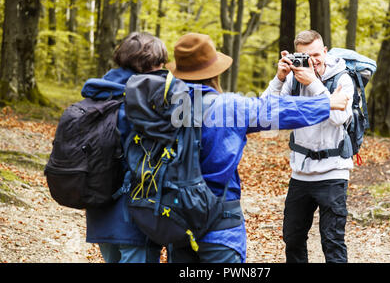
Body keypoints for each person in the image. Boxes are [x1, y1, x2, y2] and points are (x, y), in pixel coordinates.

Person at [165, 32, 349, 263]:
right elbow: (274, 111)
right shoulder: (229, 107)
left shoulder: (165, 108)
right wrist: (326, 102)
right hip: (220, 219)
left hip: (176, 215)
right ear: (216, 71)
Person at [262, 30, 354, 263]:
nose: (312, 61)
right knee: (292, 238)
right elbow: (265, 115)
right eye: (305, 56)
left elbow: (339, 118)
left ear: (324, 51)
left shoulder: (342, 79)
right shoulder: (293, 78)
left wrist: (313, 83)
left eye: (315, 54)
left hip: (334, 171)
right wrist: (280, 78)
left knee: (332, 241)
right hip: (301, 173)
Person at [81, 32, 166, 263]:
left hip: (100, 206)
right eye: (160, 62)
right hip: (136, 211)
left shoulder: (99, 93)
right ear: (149, 63)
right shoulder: (145, 100)